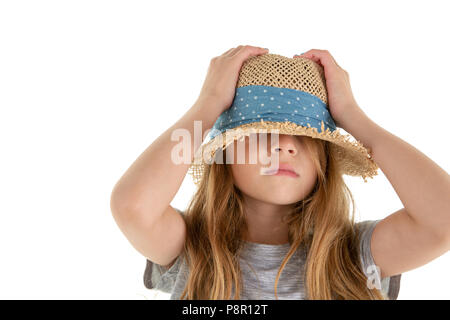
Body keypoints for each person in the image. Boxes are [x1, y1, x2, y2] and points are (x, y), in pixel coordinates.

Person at [110, 45, 450, 300]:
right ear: (225, 152)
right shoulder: (193, 251)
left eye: (306, 136)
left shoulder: (353, 257)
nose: (286, 146)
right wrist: (208, 105)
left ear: (324, 160)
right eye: (263, 132)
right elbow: (133, 207)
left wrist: (354, 119)